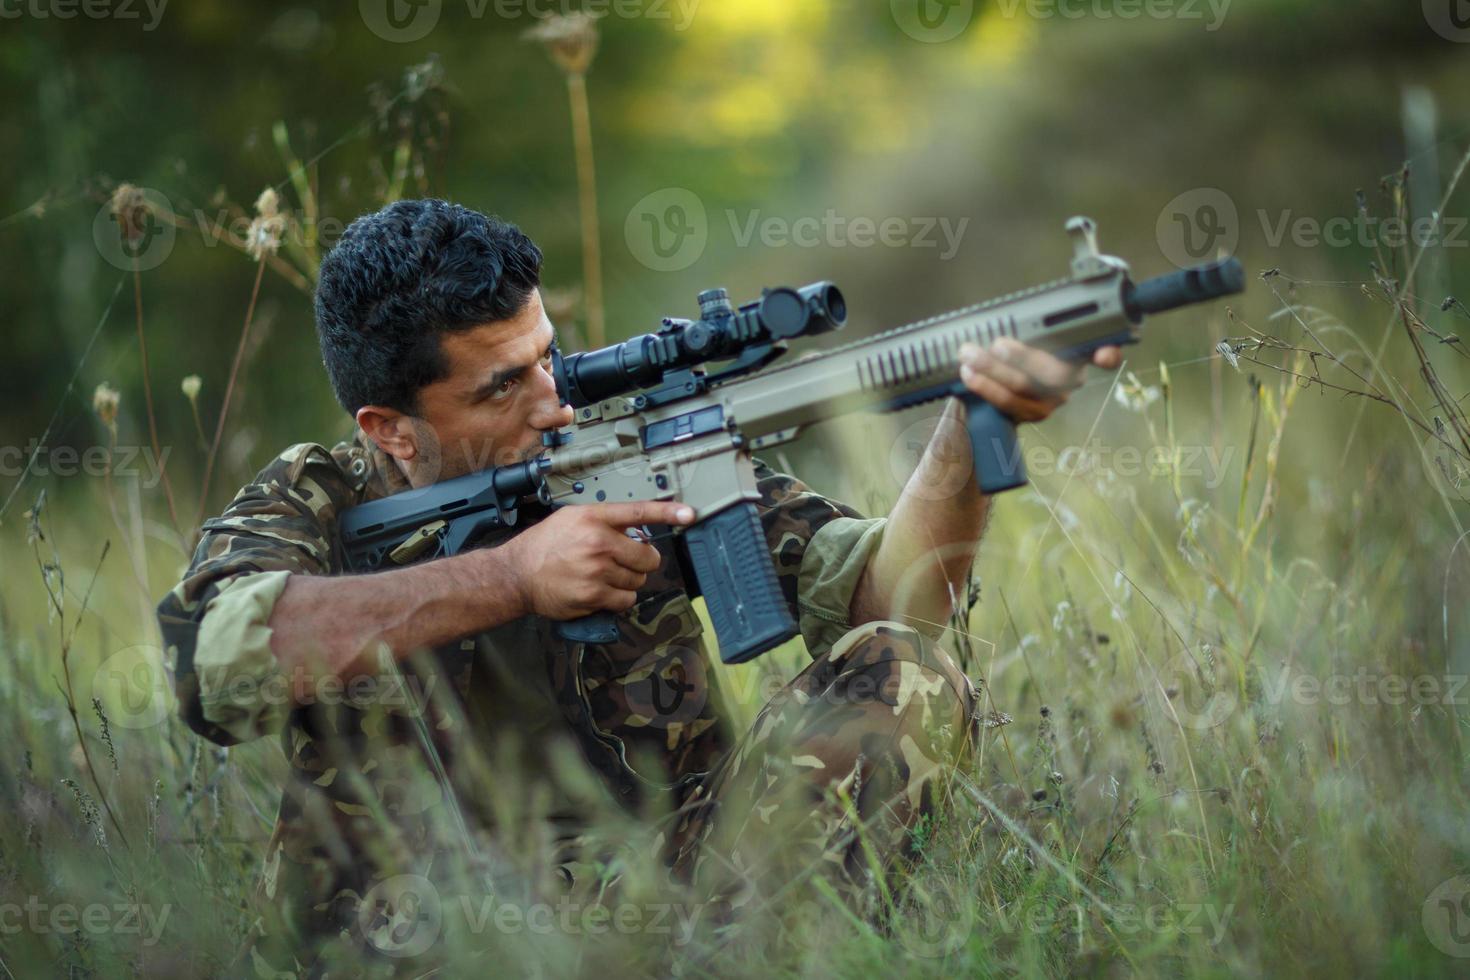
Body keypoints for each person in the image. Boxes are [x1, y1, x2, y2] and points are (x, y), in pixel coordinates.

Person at [156, 198, 1121, 968]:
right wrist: (516, 575)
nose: (554, 407)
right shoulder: (315, 499)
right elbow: (215, 666)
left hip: (668, 895)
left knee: (903, 671)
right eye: (502, 387)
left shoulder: (623, 450)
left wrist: (968, 422)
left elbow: (889, 600)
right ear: (390, 429)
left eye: (550, 360)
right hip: (424, 926)